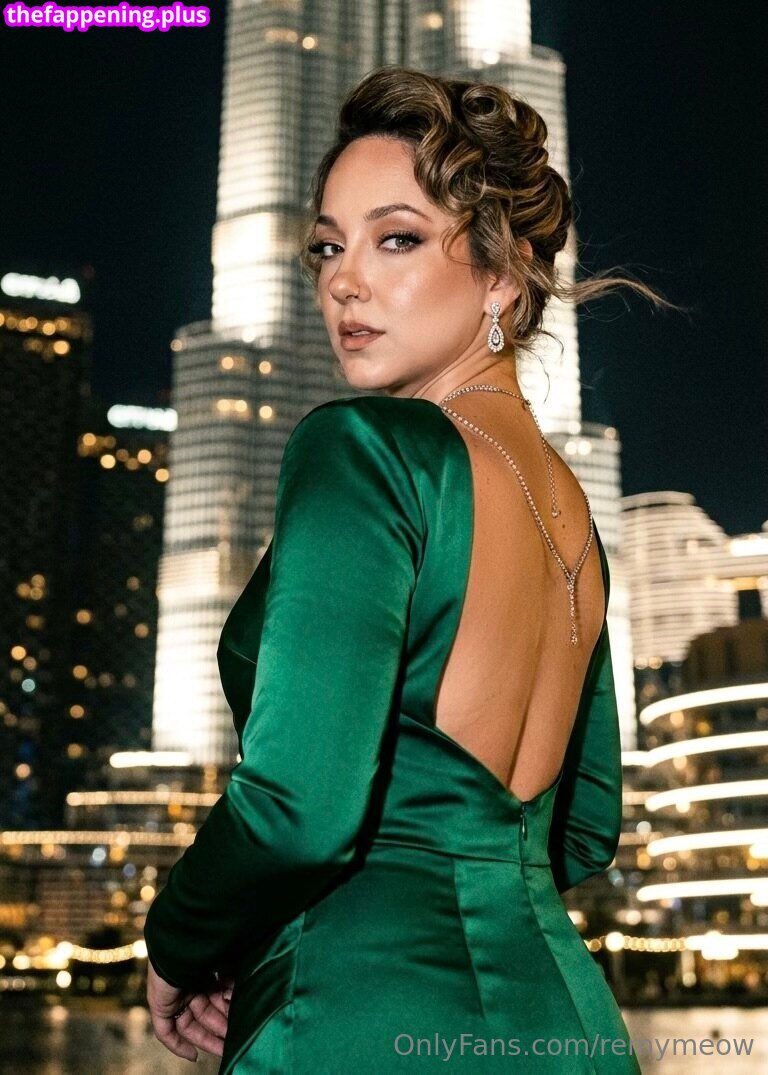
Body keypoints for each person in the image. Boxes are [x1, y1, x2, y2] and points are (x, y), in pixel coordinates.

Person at [144, 65, 675, 1072]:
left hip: (359, 1015)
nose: (344, 280)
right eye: (327, 246)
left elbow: (298, 811)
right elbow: (585, 828)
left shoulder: (368, 450)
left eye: (395, 239)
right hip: (565, 1022)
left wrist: (177, 943)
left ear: (503, 275)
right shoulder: (572, 519)